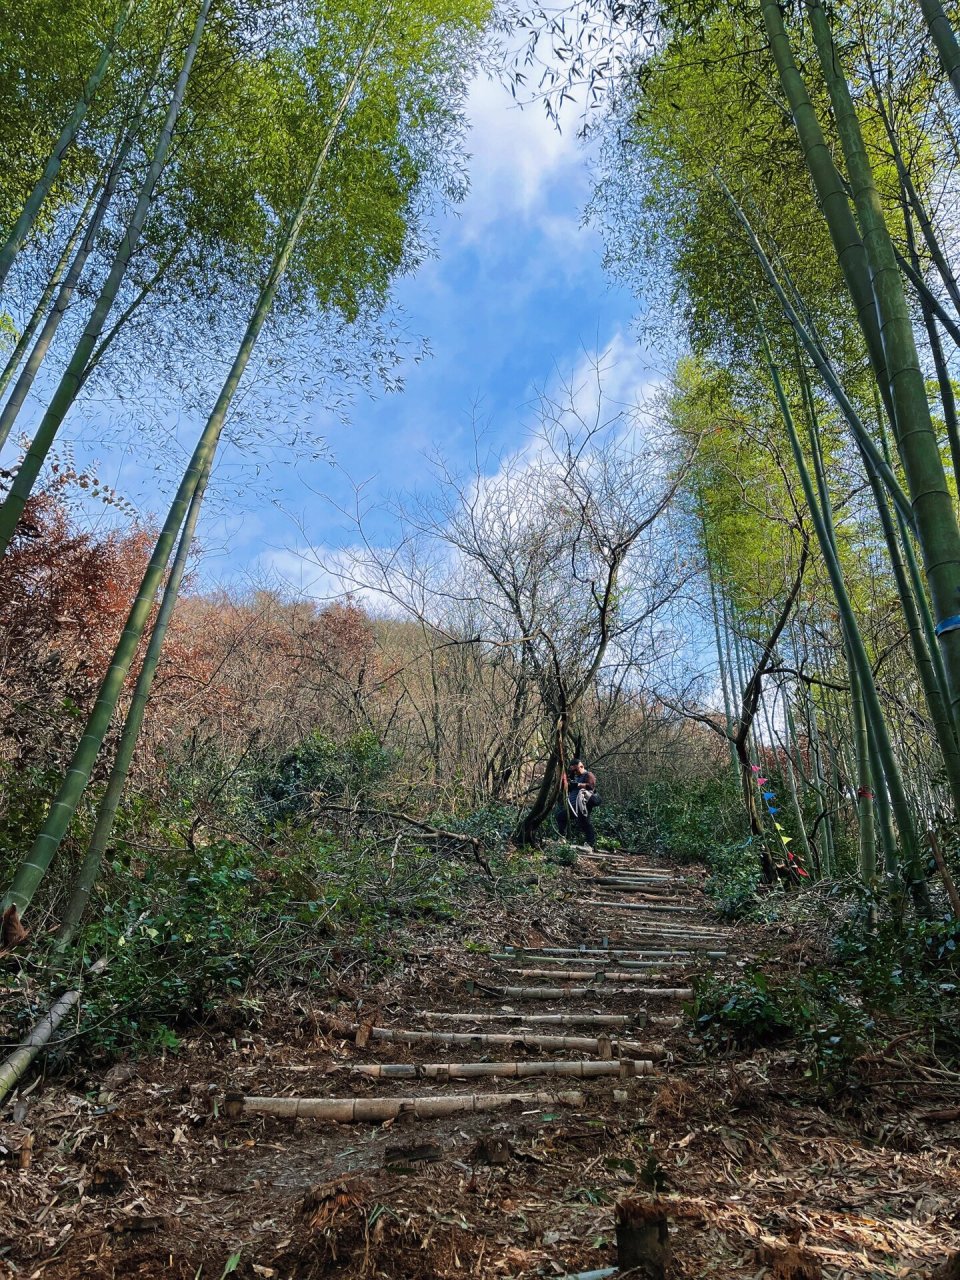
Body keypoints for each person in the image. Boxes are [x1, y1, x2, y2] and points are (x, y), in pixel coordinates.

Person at [555, 759, 597, 848]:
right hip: (573, 806)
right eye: (573, 771)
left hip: (583, 804)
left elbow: (591, 786)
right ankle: (562, 839)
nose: (574, 772)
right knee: (561, 816)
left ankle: (590, 844)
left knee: (585, 822)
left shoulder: (588, 775)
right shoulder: (576, 777)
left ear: (581, 766)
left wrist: (578, 785)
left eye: (576, 770)